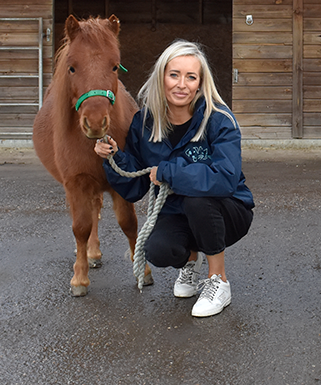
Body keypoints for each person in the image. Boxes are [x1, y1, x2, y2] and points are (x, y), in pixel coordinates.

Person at [94, 40, 253, 318]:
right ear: (162, 77)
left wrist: (168, 171)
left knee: (197, 199)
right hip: (177, 212)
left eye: (191, 77)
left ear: (201, 83)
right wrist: (115, 157)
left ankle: (219, 280)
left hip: (228, 211)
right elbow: (136, 187)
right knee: (157, 250)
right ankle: (190, 261)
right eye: (174, 74)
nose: (182, 84)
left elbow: (225, 179)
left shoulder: (220, 120)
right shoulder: (144, 122)